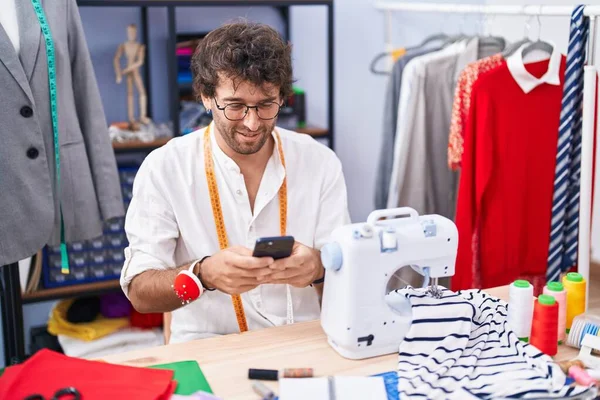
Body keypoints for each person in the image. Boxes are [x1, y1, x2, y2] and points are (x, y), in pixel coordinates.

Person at [120, 21, 350, 344]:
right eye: (236, 106)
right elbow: (139, 291)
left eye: (266, 104)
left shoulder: (319, 162)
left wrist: (318, 267)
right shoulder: (164, 169)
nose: (252, 122)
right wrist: (204, 275)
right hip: (210, 346)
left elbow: (348, 271)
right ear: (205, 97)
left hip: (302, 342)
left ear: (282, 98)